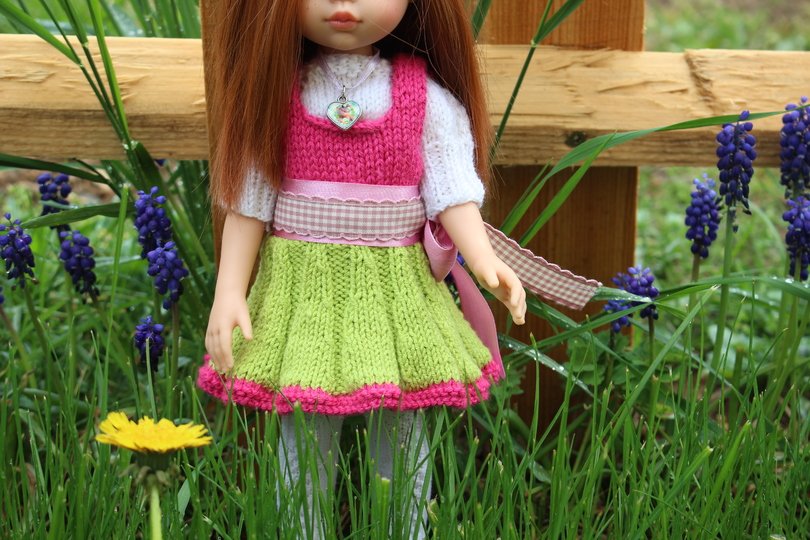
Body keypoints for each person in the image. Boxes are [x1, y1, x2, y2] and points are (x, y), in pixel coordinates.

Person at [198, 1, 597, 537]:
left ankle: (406, 528)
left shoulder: (424, 99)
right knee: (303, 422)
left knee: (403, 420)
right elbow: (249, 204)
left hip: (395, 292)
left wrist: (484, 259)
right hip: (305, 290)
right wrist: (229, 290)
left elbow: (452, 192)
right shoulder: (274, 96)